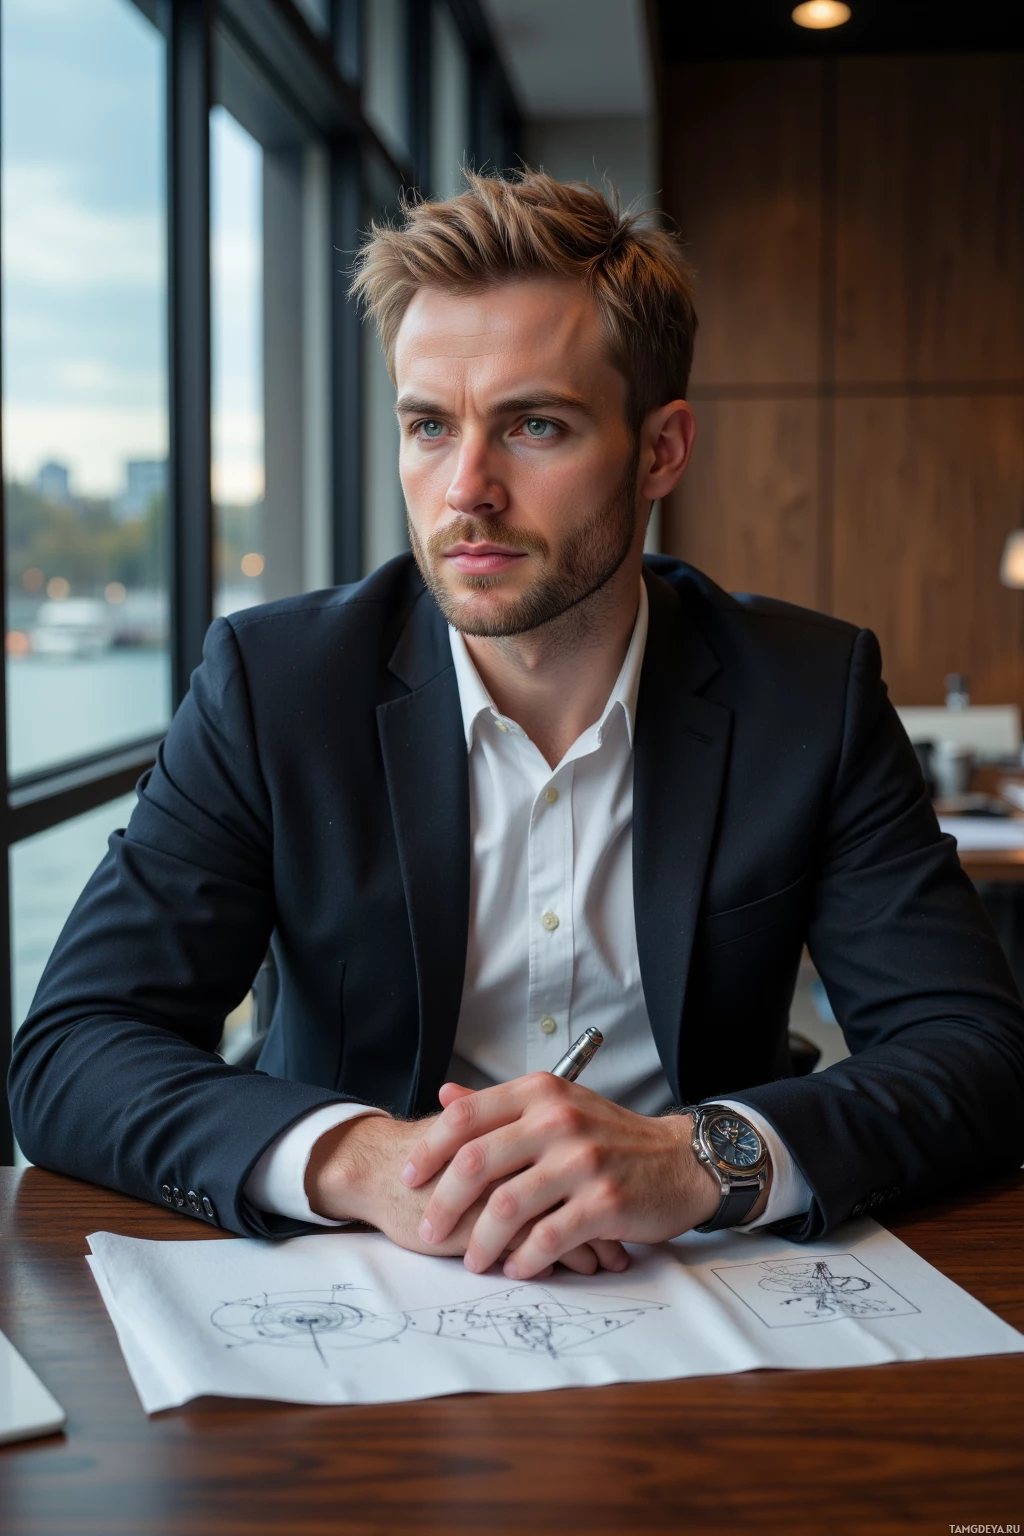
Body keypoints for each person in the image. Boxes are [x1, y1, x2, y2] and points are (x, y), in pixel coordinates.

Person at [10, 171, 1024, 1284]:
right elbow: (71, 1051)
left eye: (534, 425)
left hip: (706, 1280)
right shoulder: (273, 684)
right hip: (353, 1289)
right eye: (429, 427)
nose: (465, 490)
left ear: (660, 451)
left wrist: (699, 1156)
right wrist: (363, 1160)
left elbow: (977, 1054)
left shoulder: (807, 689)